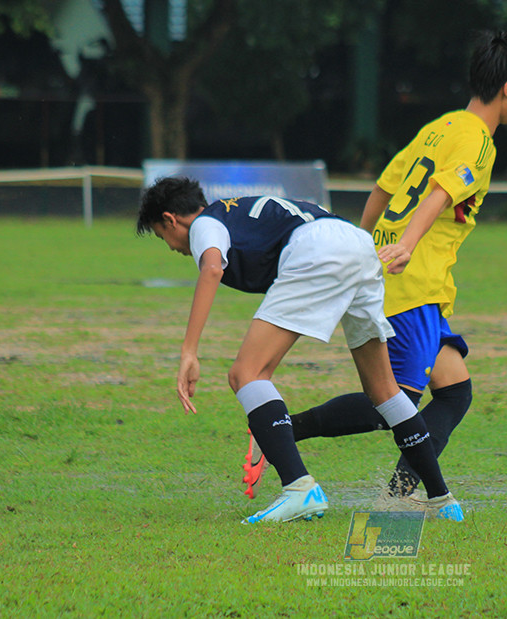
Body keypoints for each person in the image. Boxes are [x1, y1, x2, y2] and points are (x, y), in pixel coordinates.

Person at [242, 30, 507, 503]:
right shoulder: (479, 143)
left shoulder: (440, 127)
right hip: (413, 284)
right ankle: (281, 430)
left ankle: (403, 486)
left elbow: (383, 187)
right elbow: (442, 192)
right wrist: (405, 243)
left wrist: (362, 245)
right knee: (390, 403)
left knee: (455, 389)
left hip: (399, 277)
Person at [136, 177, 463, 523]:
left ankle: (299, 488)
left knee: (246, 374)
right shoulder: (239, 210)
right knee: (385, 390)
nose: (173, 248)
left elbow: (212, 268)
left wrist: (189, 351)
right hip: (357, 244)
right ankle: (442, 499)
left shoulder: (205, 223)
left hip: (317, 248)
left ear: (171, 219)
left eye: (162, 236)